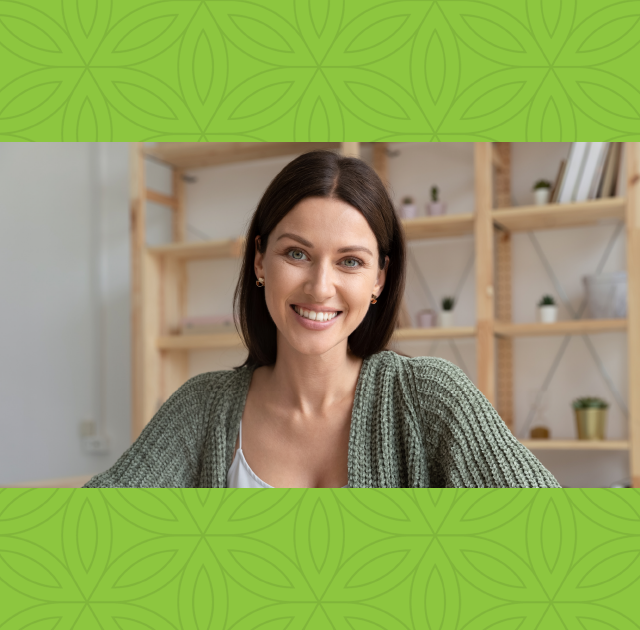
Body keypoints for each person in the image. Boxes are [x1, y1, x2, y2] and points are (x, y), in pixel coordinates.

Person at [84, 150, 560, 488]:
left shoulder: (432, 399)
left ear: (379, 277)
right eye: (296, 253)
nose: (319, 286)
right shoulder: (200, 409)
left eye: (350, 261)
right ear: (258, 261)